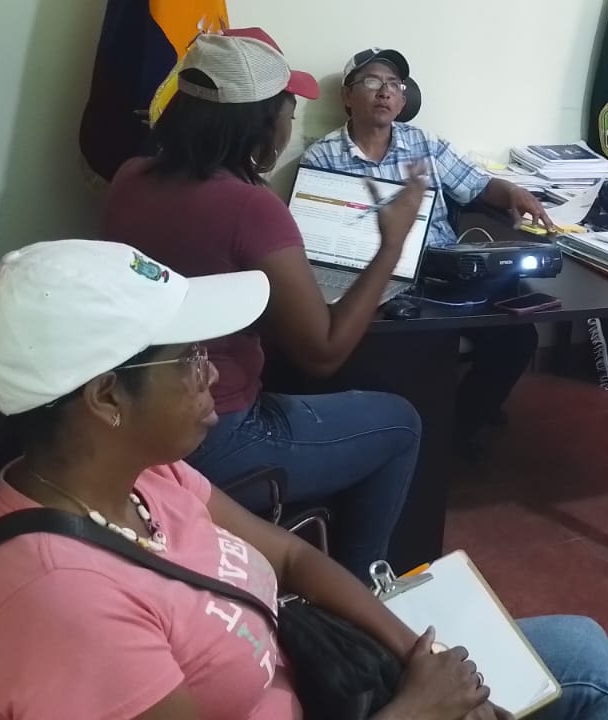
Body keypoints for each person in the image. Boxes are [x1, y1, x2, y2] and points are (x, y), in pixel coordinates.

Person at [0, 239, 608, 720]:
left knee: (578, 649)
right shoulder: (61, 605)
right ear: (105, 397)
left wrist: (416, 653)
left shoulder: (137, 473)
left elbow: (289, 556)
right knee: (580, 681)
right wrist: (418, 708)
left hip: (325, 676)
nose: (211, 372)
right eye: (188, 359)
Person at [101, 29, 422, 578]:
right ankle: (361, 593)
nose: (290, 123)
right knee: (401, 423)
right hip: (216, 435)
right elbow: (323, 352)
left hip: (136, 421)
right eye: (288, 111)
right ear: (261, 123)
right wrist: (392, 244)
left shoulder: (129, 176)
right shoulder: (251, 206)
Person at [303, 47, 554, 459]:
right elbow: (319, 241)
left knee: (517, 337)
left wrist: (513, 191)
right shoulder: (323, 156)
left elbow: (478, 185)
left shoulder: (425, 143)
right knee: (404, 347)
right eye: (372, 81)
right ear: (347, 96)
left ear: (403, 98)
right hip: (375, 280)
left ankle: (455, 436)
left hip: (443, 271)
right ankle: (407, 439)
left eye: (394, 84)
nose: (385, 92)